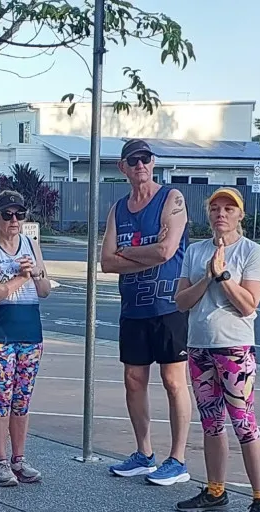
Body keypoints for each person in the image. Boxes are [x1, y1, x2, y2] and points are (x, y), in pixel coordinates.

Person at [173, 188, 260, 512]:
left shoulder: (251, 251)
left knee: (243, 422)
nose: (221, 214)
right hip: (200, 346)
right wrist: (206, 276)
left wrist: (224, 276)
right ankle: (215, 490)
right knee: (211, 422)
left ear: (240, 215)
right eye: (215, 208)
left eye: (229, 209)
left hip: (234, 348)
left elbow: (248, 305)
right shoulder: (195, 251)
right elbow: (181, 301)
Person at [100, 138, 192, 487]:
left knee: (173, 381)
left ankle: (178, 459)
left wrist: (126, 252)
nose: (140, 165)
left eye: (145, 159)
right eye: (133, 160)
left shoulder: (171, 199)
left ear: (153, 163)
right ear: (122, 167)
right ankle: (144, 453)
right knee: (134, 380)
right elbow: (106, 262)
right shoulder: (118, 209)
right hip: (133, 309)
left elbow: (167, 251)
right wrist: (145, 251)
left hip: (169, 305)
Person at [0, 189, 51, 487]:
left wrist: (37, 274)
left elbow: (44, 291)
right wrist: (19, 277)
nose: (14, 220)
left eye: (20, 214)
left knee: (22, 399)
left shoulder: (30, 245)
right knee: (2, 398)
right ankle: (1, 461)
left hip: (29, 333)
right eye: (7, 215)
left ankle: (20, 458)